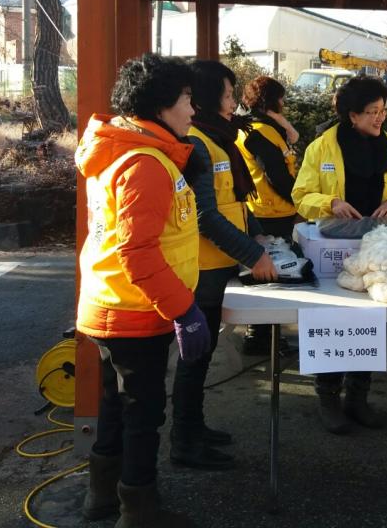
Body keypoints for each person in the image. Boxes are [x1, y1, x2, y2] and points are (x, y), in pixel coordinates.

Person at [75, 53, 206, 528]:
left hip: (112, 307)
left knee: (116, 407)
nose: (193, 110)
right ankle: (139, 512)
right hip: (134, 313)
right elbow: (139, 252)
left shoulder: (125, 151)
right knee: (143, 415)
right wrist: (185, 310)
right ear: (160, 104)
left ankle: (102, 499)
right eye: (188, 99)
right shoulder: (145, 162)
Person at [169, 60, 277, 472]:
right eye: (229, 95)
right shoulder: (197, 143)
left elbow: (232, 202)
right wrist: (254, 255)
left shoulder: (220, 140)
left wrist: (258, 232)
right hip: (202, 268)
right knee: (194, 356)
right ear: (210, 97)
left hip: (218, 266)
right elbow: (204, 216)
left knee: (203, 352)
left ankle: (194, 428)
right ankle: (184, 440)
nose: (234, 103)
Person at [292, 76, 387, 433]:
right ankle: (328, 398)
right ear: (351, 115)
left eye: (383, 111)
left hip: (379, 249)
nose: (380, 118)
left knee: (377, 320)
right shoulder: (322, 147)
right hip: (335, 248)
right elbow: (301, 194)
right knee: (336, 319)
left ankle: (358, 397)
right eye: (372, 112)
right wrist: (330, 202)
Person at [235, 75, 300, 354]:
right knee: (273, 277)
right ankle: (261, 337)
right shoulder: (259, 132)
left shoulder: (254, 127)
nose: (284, 104)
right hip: (271, 212)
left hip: (265, 209)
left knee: (263, 273)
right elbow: (277, 176)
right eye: (281, 98)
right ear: (271, 101)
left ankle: (259, 335)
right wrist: (300, 201)